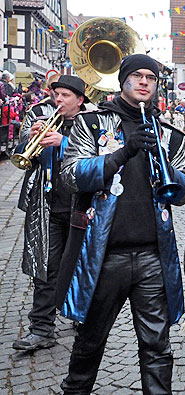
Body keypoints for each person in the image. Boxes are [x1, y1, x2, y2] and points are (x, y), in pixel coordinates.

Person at [57, 54, 185, 394]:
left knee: (158, 347)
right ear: (123, 81)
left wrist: (165, 169)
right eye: (137, 76)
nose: (144, 82)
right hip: (105, 256)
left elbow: (183, 191)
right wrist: (122, 153)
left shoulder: (171, 135)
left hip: (152, 257)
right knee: (89, 341)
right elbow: (71, 176)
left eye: (151, 77)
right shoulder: (92, 124)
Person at [12, 75, 89, 351]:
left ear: (79, 100)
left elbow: (99, 159)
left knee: (83, 266)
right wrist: (29, 140)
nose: (58, 100)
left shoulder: (92, 122)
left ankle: (82, 317)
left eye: (65, 96)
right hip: (47, 206)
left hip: (82, 207)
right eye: (56, 94)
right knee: (44, 268)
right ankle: (41, 328)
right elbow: (21, 155)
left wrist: (64, 142)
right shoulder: (40, 117)